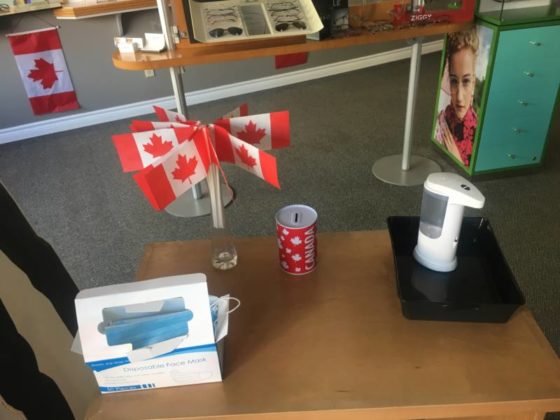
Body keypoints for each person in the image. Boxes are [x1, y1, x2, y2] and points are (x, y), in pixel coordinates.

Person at [436, 28, 479, 167]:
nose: (459, 97)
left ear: (474, 83)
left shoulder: (479, 134)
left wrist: (458, 159)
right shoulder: (443, 116)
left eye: (466, 81)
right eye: (454, 81)